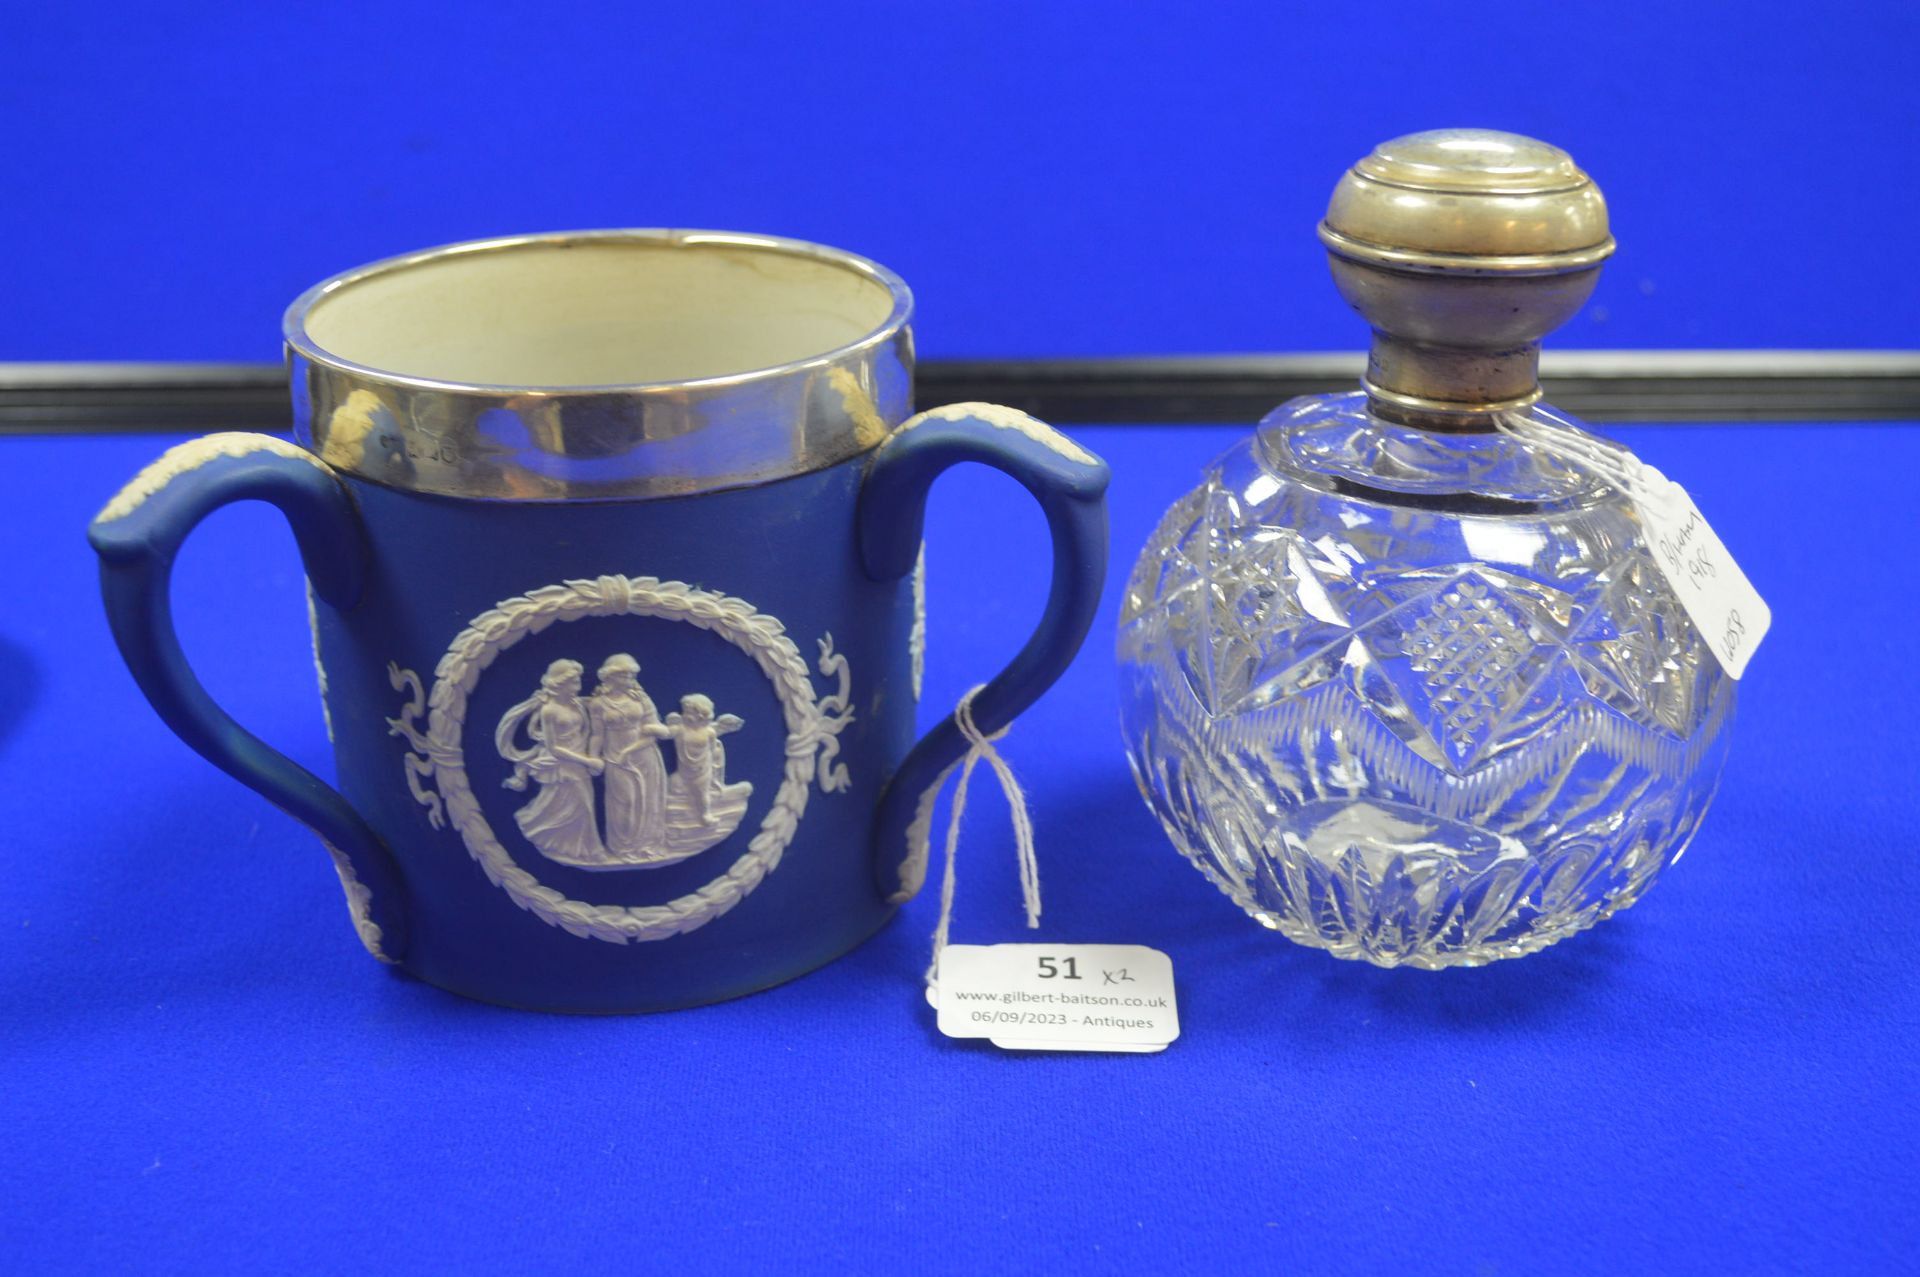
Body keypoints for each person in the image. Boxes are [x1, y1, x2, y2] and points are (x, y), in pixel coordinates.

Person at [495, 659, 607, 866]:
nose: (578, 685)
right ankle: (588, 849)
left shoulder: (576, 703)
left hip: (578, 762)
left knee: (576, 805)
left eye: (578, 681)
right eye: (573, 681)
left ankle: (579, 848)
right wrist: (587, 760)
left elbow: (594, 709)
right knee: (576, 805)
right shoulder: (549, 711)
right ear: (559, 683)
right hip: (563, 762)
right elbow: (554, 747)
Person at [588, 654, 672, 861]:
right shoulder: (598, 703)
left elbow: (654, 729)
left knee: (647, 800)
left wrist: (630, 750)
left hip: (644, 754)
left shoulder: (641, 699)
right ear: (610, 676)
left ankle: (646, 846)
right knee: (625, 801)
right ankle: (623, 848)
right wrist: (592, 758)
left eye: (631, 675)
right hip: (614, 757)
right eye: (623, 675)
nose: (628, 679)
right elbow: (597, 735)